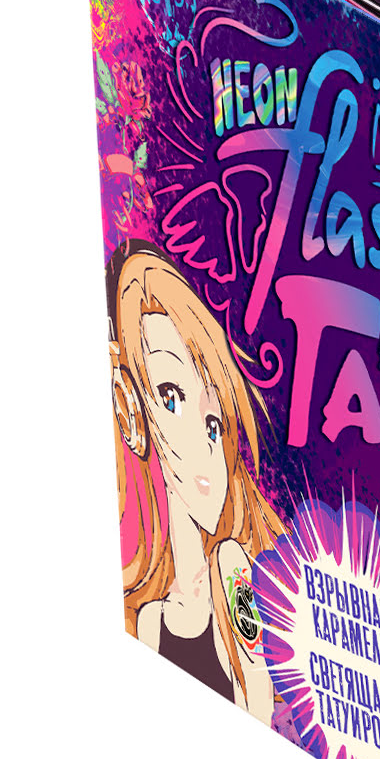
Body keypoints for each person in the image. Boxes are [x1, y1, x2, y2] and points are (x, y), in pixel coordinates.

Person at [108, 241, 284, 723]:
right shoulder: (149, 620)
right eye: (171, 398)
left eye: (213, 424)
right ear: (130, 408)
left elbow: (259, 698)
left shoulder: (232, 568)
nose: (205, 446)